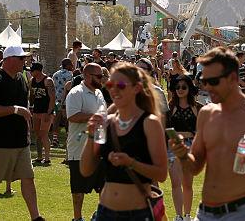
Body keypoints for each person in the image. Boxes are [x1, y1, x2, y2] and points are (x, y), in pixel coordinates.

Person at [171, 47, 245, 221]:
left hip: (242, 213)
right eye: (203, 81)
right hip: (205, 213)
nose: (207, 87)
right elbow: (195, 167)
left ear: (233, 78)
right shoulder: (207, 114)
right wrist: (183, 154)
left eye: (213, 81)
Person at [81, 62, 168, 221]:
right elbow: (86, 170)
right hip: (104, 212)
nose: (114, 89)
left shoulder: (149, 123)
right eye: (110, 84)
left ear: (137, 88)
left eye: (120, 85)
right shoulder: (107, 123)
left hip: (136, 214)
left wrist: (130, 162)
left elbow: (161, 174)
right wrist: (91, 135)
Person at [0, 45, 44, 221]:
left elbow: (25, 107)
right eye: (21, 58)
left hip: (20, 141)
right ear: (9, 59)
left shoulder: (22, 79)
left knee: (28, 177)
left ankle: (35, 216)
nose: (24, 61)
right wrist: (16, 110)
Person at [65, 63, 106, 221]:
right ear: (87, 76)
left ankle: (101, 215)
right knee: (78, 190)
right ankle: (77, 218)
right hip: (79, 149)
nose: (101, 79)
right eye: (99, 76)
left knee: (103, 187)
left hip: (98, 149)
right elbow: (72, 116)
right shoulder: (76, 93)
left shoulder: (99, 93)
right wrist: (94, 117)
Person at [167, 74, 200, 221]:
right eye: (177, 87)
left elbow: (202, 129)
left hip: (191, 146)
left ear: (189, 89)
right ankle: (178, 216)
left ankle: (187, 215)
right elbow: (165, 129)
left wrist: (191, 134)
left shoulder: (196, 107)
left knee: (188, 182)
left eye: (184, 87)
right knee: (175, 182)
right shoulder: (170, 107)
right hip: (174, 146)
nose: (180, 90)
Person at [28, 62, 56, 166]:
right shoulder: (32, 80)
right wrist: (31, 106)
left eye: (32, 70)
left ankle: (47, 158)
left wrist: (49, 113)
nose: (31, 72)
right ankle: (39, 157)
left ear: (38, 71)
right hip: (36, 110)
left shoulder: (48, 81)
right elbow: (31, 95)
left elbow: (52, 98)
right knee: (37, 134)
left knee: (44, 134)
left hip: (46, 111)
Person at [51, 59, 75, 149]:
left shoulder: (55, 74)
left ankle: (55, 139)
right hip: (66, 100)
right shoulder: (70, 75)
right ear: (67, 65)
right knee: (67, 120)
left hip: (57, 100)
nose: (72, 66)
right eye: (71, 64)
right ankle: (68, 139)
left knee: (56, 119)